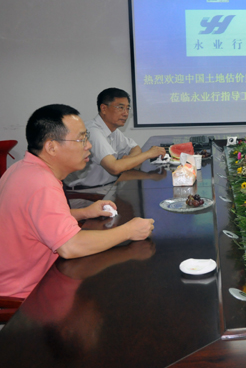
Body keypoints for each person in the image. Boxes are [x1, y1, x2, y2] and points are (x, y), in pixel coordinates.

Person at [0, 104, 154, 299]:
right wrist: (129, 231)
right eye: (81, 139)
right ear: (51, 147)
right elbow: (70, 246)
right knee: (121, 291)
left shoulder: (20, 168)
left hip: (21, 280)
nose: (88, 145)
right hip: (27, 292)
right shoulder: (42, 184)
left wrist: (84, 212)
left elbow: (34, 219)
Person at [66, 88, 166, 189]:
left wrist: (129, 159)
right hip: (88, 191)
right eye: (120, 108)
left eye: (127, 108)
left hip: (109, 185)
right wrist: (148, 154)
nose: (125, 113)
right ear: (104, 108)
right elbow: (114, 168)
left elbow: (135, 148)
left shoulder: (113, 130)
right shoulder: (93, 131)